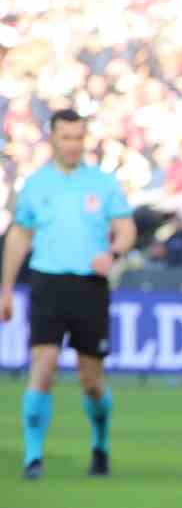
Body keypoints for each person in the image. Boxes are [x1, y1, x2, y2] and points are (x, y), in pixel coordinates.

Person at [1, 108, 135, 480]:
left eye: (79, 137)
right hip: (47, 282)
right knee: (42, 367)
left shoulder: (103, 183)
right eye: (66, 137)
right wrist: (7, 288)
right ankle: (32, 457)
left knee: (91, 380)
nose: (73, 144)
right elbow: (19, 235)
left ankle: (100, 443)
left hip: (89, 287)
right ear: (53, 139)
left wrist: (113, 254)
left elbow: (126, 229)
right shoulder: (36, 185)